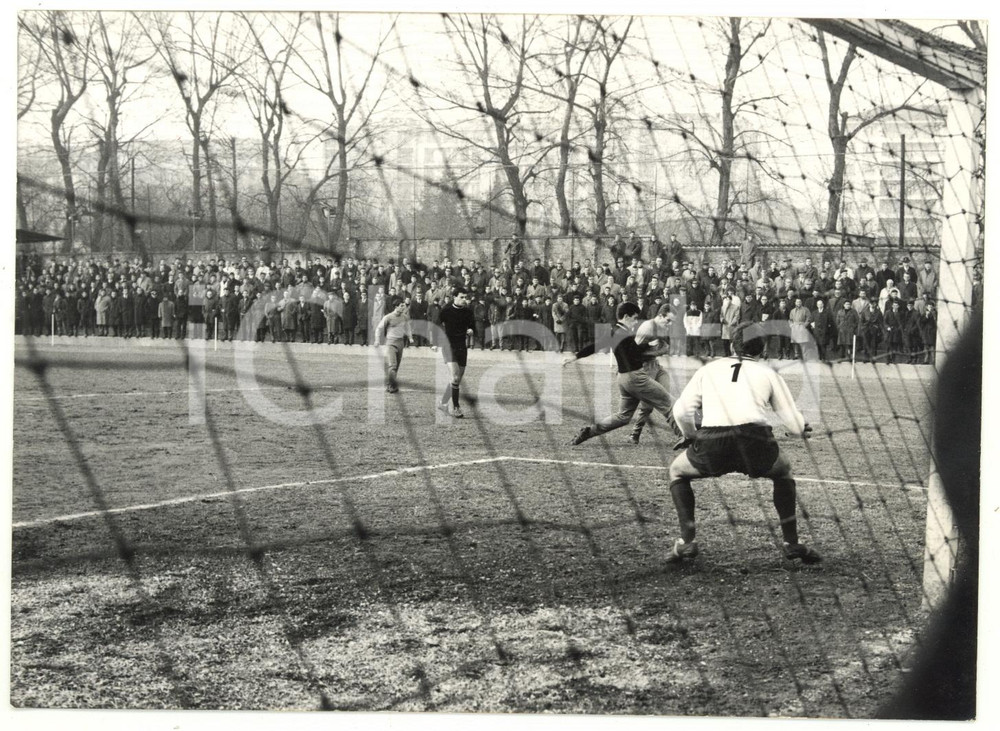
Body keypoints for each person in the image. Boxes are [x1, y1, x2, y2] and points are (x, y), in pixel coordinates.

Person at [664, 323, 821, 564]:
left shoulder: (708, 369)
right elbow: (795, 425)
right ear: (763, 348)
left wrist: (691, 436)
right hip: (754, 441)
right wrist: (799, 429)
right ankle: (791, 542)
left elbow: (681, 411)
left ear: (731, 345)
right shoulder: (769, 373)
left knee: (676, 471)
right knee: (783, 471)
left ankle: (686, 541)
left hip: (714, 441)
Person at [564, 301, 680, 446]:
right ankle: (685, 437)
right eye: (635, 318)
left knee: (623, 416)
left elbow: (595, 346)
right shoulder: (625, 334)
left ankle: (589, 431)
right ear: (626, 317)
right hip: (636, 378)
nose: (636, 322)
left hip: (623, 378)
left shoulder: (614, 331)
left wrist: (575, 356)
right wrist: (651, 346)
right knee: (668, 403)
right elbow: (635, 354)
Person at [435, 285, 476, 418]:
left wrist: (471, 330)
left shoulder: (468, 312)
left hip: (462, 347)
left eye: (466, 297)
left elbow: (473, 326)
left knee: (456, 380)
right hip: (448, 346)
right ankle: (456, 407)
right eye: (461, 297)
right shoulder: (446, 310)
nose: (464, 300)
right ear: (454, 297)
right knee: (456, 377)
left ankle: (443, 403)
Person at [375, 301, 412, 393]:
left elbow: (408, 327)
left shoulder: (404, 317)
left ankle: (389, 384)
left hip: (400, 343)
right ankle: (392, 386)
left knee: (396, 366)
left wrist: (410, 337)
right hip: (391, 343)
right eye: (401, 306)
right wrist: (377, 340)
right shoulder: (388, 317)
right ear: (396, 306)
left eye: (404, 306)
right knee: (393, 365)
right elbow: (379, 328)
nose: (403, 308)